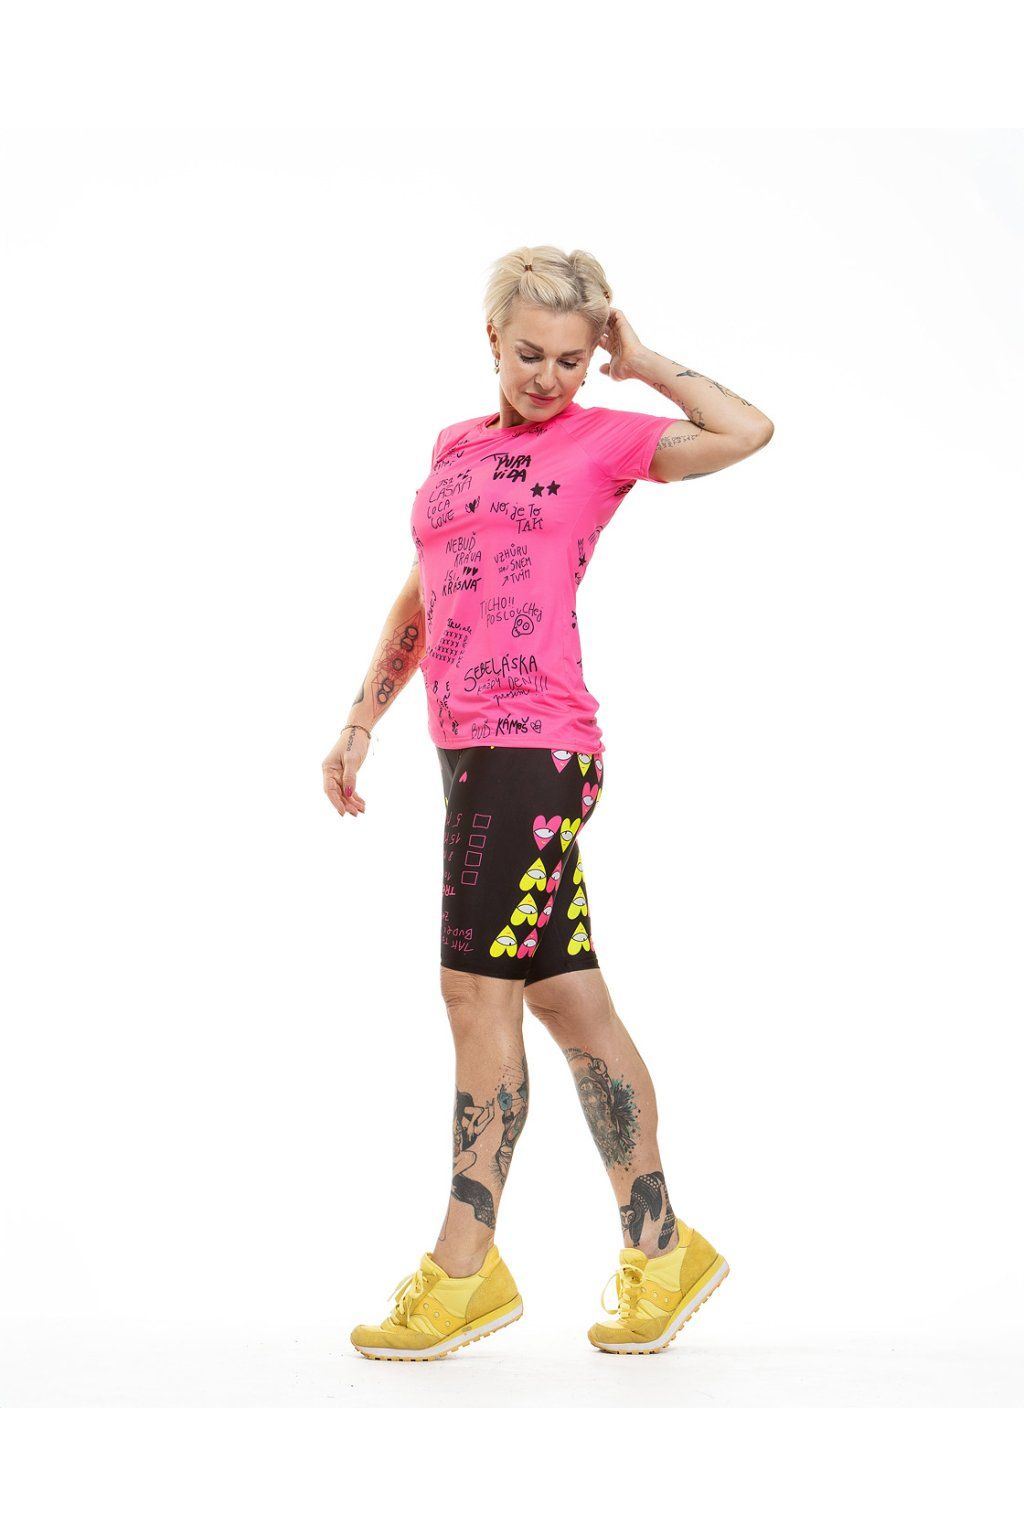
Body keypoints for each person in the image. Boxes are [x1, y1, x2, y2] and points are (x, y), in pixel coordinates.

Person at [323, 245, 774, 1361]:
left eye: (571, 360)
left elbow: (746, 430)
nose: (549, 378)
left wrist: (642, 360)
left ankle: (462, 1269)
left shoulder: (603, 439)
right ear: (492, 338)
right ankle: (663, 1251)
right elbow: (425, 592)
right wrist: (362, 717)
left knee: (472, 993)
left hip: (537, 750)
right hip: (463, 746)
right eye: (530, 354)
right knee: (568, 1003)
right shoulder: (454, 447)